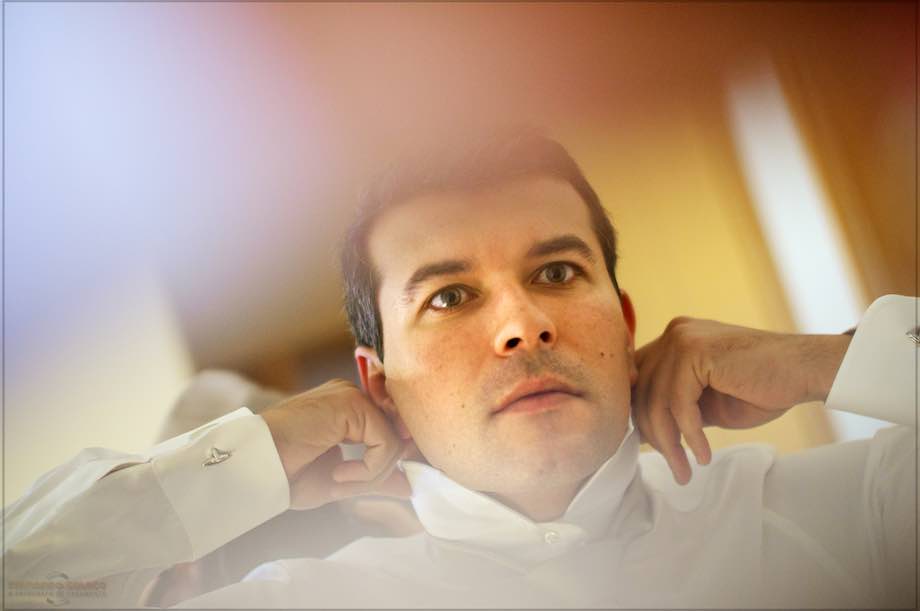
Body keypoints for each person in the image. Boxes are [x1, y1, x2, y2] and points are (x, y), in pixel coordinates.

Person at [4, 129, 916, 608]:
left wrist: (826, 359)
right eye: (448, 296)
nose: (522, 324)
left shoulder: (855, 521)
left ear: (625, 320)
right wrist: (250, 455)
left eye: (557, 273)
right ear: (377, 381)